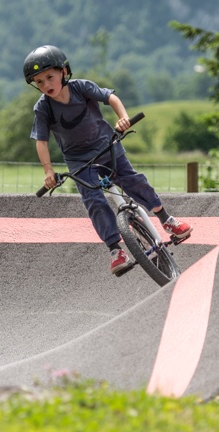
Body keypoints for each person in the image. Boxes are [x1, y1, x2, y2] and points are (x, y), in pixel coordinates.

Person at [24, 44, 192, 275]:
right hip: (79, 161)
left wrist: (122, 118)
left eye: (49, 77)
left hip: (107, 146)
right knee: (94, 201)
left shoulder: (81, 87)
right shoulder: (43, 108)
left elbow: (110, 97)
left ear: (64, 72)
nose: (45, 85)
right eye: (39, 82)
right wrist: (48, 171)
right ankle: (115, 249)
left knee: (133, 181)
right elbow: (41, 141)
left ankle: (166, 219)